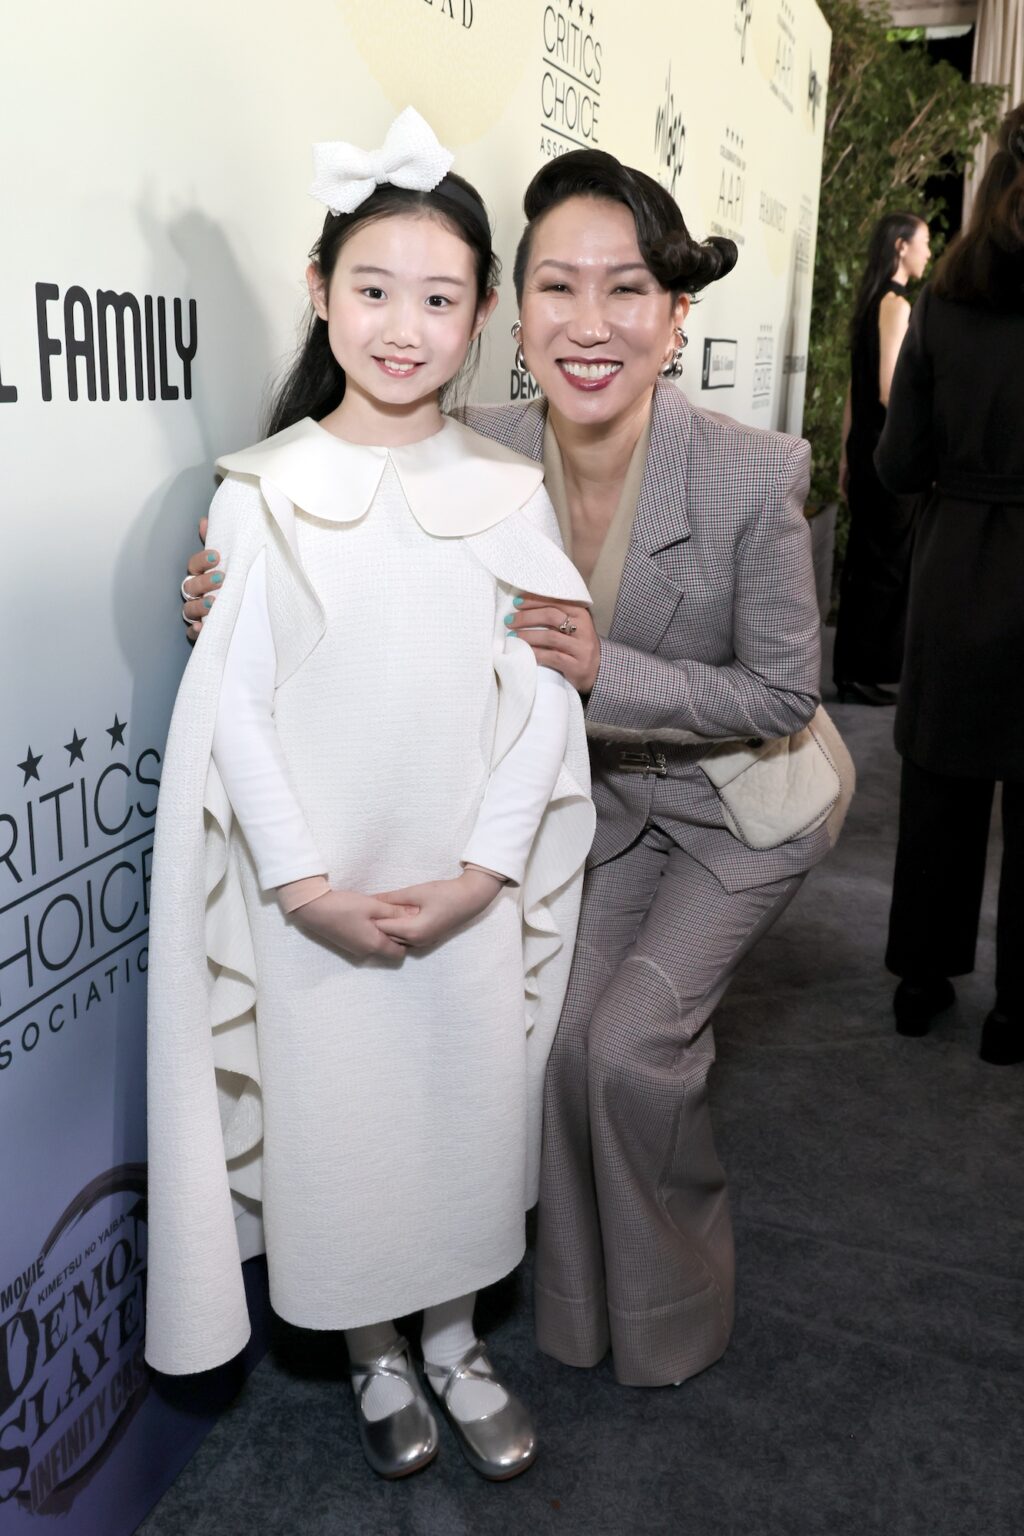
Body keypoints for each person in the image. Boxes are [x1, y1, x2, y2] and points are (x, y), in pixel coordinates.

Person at [181, 147, 853, 1390]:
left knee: (628, 1051)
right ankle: (556, 1318)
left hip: (736, 805)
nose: (588, 326)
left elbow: (781, 695)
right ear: (515, 312)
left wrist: (606, 671)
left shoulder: (756, 475)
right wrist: (222, 598)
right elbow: (363, 502)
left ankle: (668, 1320)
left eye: (626, 293)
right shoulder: (478, 441)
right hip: (594, 808)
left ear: (675, 317)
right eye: (558, 289)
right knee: (546, 1053)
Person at [146, 109, 596, 1482]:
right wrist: (304, 889)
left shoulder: (511, 491)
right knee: (338, 1133)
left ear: (482, 320)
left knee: (461, 1125)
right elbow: (240, 715)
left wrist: (478, 874)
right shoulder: (257, 498)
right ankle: (372, 1354)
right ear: (320, 292)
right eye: (374, 290)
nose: (403, 326)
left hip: (463, 890)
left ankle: (456, 1341)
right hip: (316, 907)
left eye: (441, 299)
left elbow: (541, 707)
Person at [876, 103, 1024, 1066]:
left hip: (958, 571)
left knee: (939, 785)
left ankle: (924, 979)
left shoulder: (941, 305)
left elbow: (897, 464)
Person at [833, 212, 931, 706]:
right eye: (924, 243)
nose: (928, 253)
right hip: (886, 452)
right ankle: (860, 671)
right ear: (900, 247)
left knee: (867, 562)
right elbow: (890, 389)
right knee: (884, 566)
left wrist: (846, 456)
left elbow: (855, 391)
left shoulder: (871, 302)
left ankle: (853, 671)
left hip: (865, 449)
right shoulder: (896, 305)